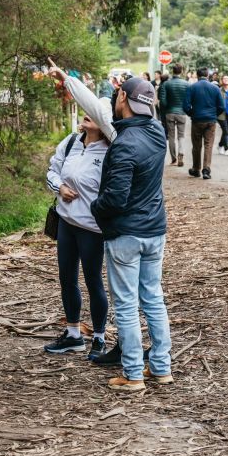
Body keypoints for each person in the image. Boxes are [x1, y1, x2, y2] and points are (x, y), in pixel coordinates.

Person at [89, 77, 171, 392]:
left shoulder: (124, 144)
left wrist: (96, 207)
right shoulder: (157, 133)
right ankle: (162, 368)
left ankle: (134, 373)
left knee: (125, 304)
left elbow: (115, 199)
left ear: (123, 96)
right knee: (153, 298)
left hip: (126, 233)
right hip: (154, 229)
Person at [44, 109, 111, 359]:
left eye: (93, 113)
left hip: (91, 229)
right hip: (65, 222)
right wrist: (59, 187)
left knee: (94, 281)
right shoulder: (71, 141)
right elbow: (52, 171)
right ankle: (73, 335)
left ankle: (99, 339)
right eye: (86, 111)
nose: (86, 115)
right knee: (67, 278)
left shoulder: (109, 151)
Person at [183, 67, 222, 180]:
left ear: (198, 75)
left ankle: (196, 169)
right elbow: (221, 106)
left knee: (196, 145)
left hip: (197, 120)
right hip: (211, 120)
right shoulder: (215, 88)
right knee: (208, 145)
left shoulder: (192, 87)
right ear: (208, 75)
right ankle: (206, 169)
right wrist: (214, 115)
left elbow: (185, 105)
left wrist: (191, 114)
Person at [158, 64, 191, 167]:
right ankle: (181, 153)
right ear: (181, 71)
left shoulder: (166, 84)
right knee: (181, 135)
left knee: (171, 136)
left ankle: (173, 159)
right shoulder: (186, 84)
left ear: (173, 71)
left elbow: (162, 101)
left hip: (170, 113)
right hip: (181, 113)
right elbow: (188, 100)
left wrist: (168, 107)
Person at [217, 74, 228, 157]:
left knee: (226, 131)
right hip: (221, 114)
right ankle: (227, 148)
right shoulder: (218, 90)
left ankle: (220, 145)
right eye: (224, 78)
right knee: (226, 131)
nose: (226, 80)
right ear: (222, 81)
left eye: (227, 78)